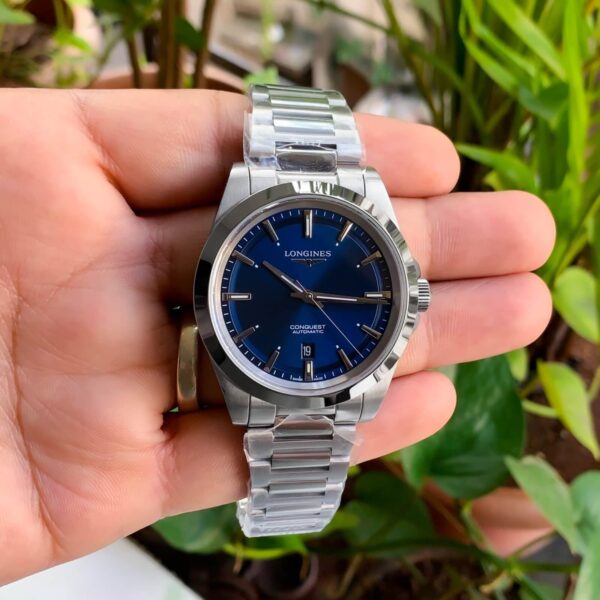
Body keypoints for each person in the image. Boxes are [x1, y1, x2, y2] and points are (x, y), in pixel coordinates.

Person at [0, 89, 555, 584]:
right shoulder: (257, 201)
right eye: (303, 292)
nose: (309, 297)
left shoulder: (350, 232)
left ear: (413, 295)